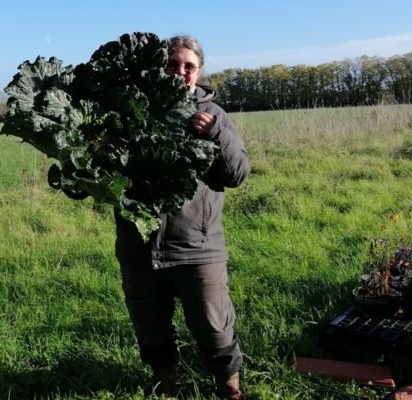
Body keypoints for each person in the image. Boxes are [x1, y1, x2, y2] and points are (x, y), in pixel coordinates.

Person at [114, 35, 251, 399]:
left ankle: (229, 389)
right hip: (140, 246)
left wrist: (215, 133)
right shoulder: (129, 114)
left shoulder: (214, 115)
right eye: (172, 64)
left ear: (199, 70)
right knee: (151, 326)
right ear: (161, 68)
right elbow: (98, 173)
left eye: (188, 66)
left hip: (197, 244)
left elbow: (237, 175)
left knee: (214, 328)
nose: (180, 72)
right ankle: (166, 386)